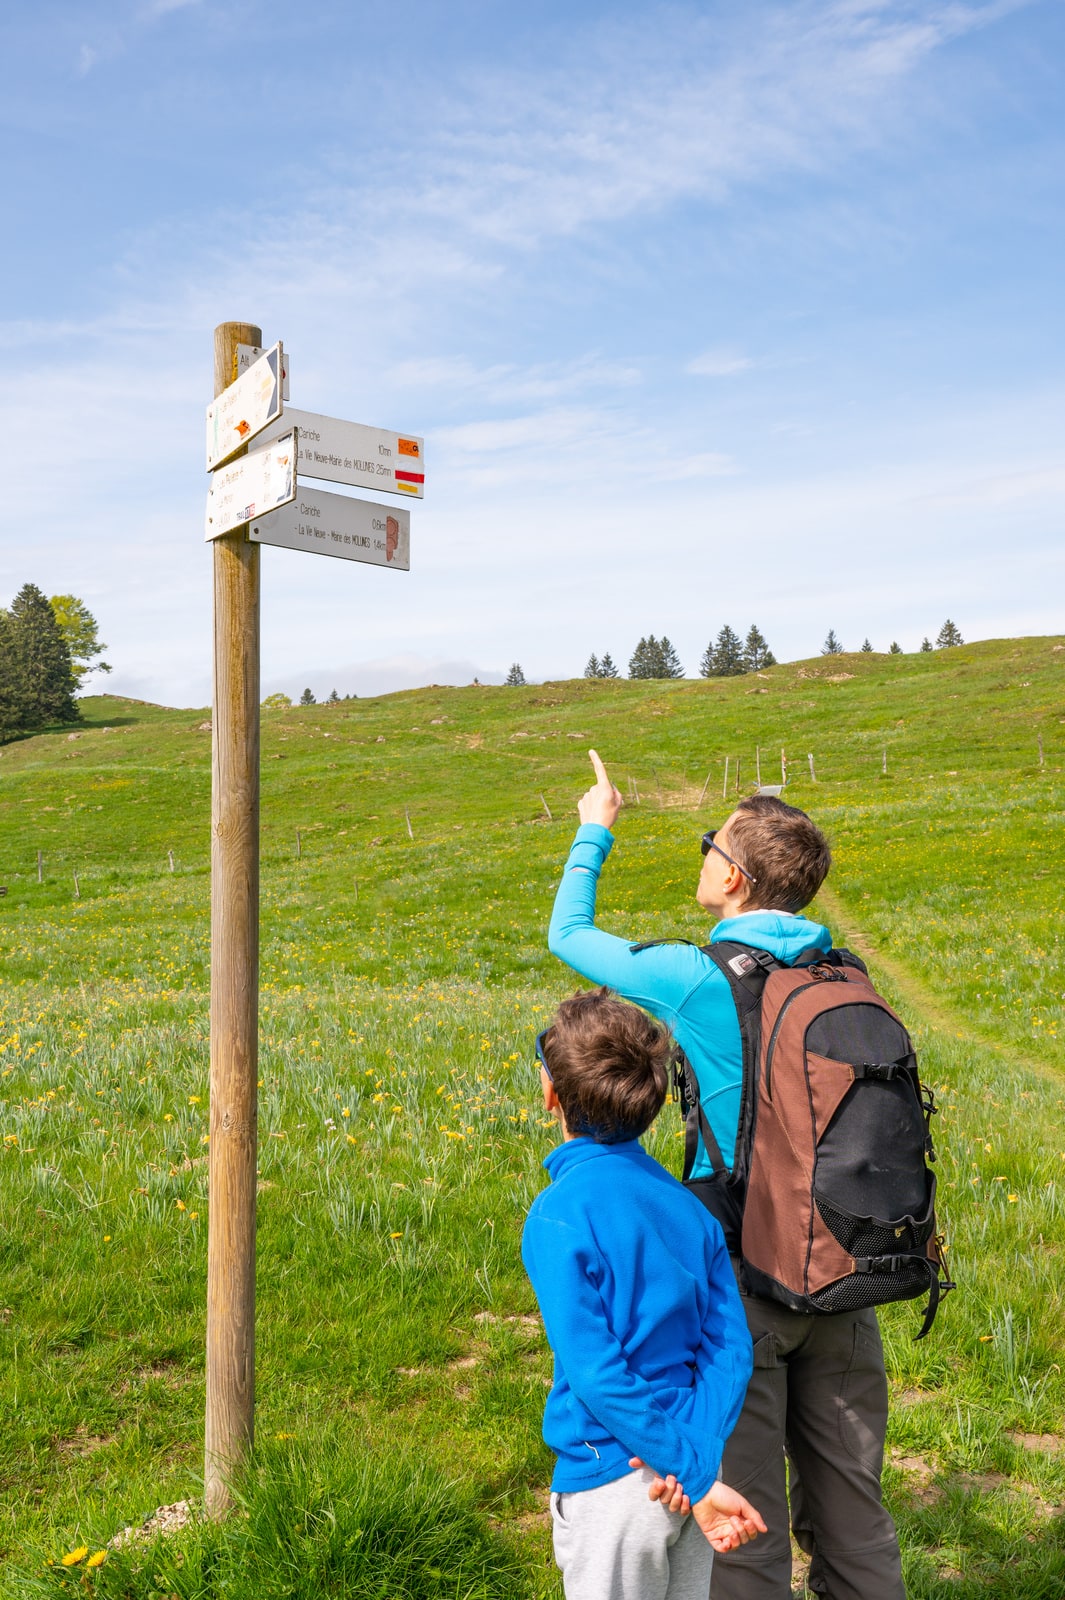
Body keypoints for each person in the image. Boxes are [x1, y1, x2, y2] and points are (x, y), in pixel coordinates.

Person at [546, 752, 905, 1600]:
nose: (702, 856)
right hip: (847, 1268)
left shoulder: (696, 978)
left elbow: (568, 936)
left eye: (711, 846)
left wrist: (594, 826)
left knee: (741, 1530)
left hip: (743, 1275)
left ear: (733, 878)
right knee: (855, 1513)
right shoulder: (844, 975)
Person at [522, 988, 766, 1600]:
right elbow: (731, 1350)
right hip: (688, 1479)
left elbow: (597, 1374)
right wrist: (699, 1461)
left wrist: (686, 1467)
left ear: (552, 1095)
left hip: (615, 1478)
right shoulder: (691, 1210)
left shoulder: (557, 1215)